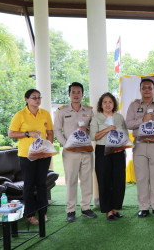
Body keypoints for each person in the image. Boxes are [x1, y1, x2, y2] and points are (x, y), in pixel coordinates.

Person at [126, 79, 154, 218]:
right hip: (140, 145)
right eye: (144, 88)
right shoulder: (134, 105)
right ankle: (143, 207)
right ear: (140, 90)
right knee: (141, 177)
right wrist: (142, 120)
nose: (147, 90)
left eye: (149, 88)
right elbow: (128, 123)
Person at [8, 89, 54, 225]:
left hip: (43, 154)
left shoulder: (45, 113)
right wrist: (28, 133)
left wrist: (48, 145)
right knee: (29, 184)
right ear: (26, 99)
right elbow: (11, 134)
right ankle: (30, 215)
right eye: (34, 97)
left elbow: (50, 132)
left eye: (39, 97)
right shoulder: (20, 115)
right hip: (26, 155)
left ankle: (42, 212)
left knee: (41, 184)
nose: (37, 100)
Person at [53, 82, 97, 222]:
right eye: (73, 92)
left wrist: (88, 131)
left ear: (82, 94)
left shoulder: (89, 110)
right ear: (69, 94)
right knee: (71, 180)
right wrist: (67, 145)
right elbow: (56, 130)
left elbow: (94, 129)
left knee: (86, 179)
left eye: (79, 92)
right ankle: (71, 210)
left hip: (86, 150)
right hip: (70, 152)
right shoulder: (62, 111)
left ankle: (86, 208)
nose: (76, 95)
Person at [89, 92, 128, 221]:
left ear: (114, 104)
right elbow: (93, 136)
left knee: (118, 180)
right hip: (102, 151)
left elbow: (126, 135)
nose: (107, 104)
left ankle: (116, 209)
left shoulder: (119, 117)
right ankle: (108, 211)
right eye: (105, 102)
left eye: (110, 102)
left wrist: (121, 147)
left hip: (118, 151)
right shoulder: (96, 118)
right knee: (104, 180)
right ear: (101, 104)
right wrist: (107, 129)